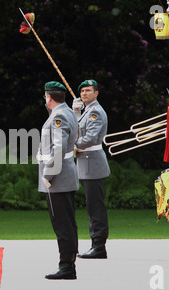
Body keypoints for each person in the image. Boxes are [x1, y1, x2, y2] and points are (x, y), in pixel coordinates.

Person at [37, 81, 79, 280]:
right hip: (65, 175)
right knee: (68, 222)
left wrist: (47, 175)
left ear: (49, 98)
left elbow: (59, 148)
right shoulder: (68, 112)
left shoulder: (59, 116)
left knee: (62, 223)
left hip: (58, 178)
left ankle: (66, 266)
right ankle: (69, 264)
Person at [73, 79, 110, 259]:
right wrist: (75, 112)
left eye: (88, 91)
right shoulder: (86, 111)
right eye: (82, 92)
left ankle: (99, 246)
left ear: (96, 93)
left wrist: (74, 144)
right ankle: (96, 244)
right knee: (92, 205)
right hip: (87, 161)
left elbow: (91, 137)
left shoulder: (95, 111)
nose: (84, 94)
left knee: (95, 206)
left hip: (92, 161)